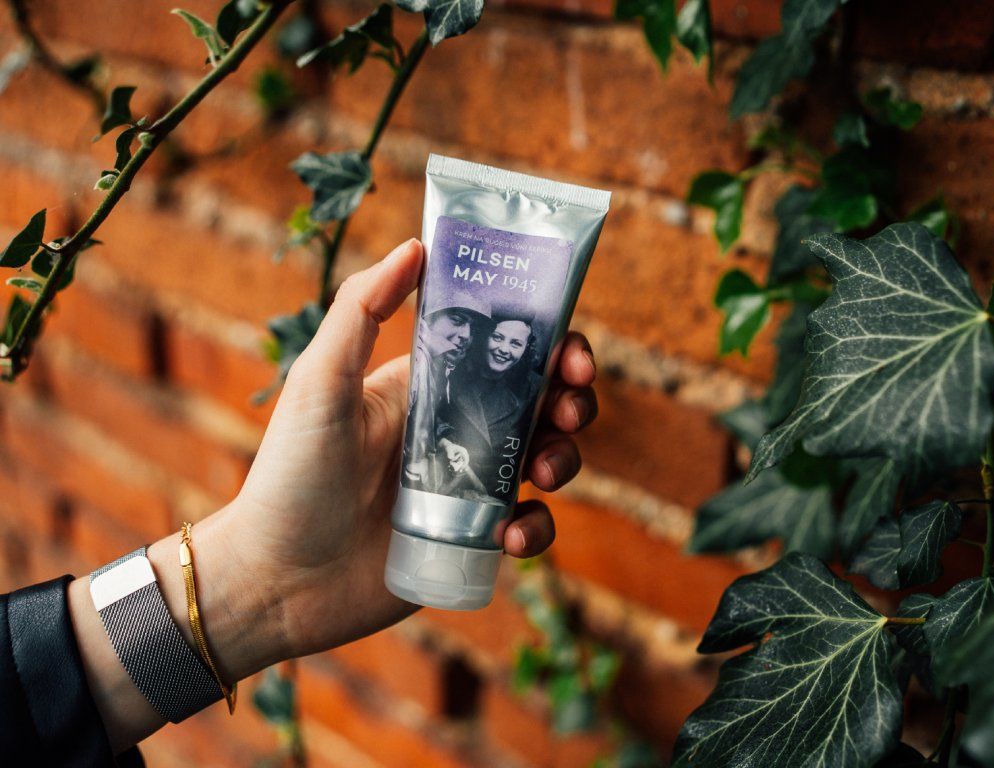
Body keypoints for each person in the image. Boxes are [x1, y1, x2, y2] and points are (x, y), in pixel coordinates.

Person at [0, 239, 599, 765]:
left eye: (477, 330)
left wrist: (254, 582)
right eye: (455, 325)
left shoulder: (468, 385)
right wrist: (257, 581)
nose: (467, 338)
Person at [444, 316, 547, 503]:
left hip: (490, 504)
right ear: (482, 336)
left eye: (516, 344)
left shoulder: (534, 390)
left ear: (526, 349)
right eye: (497, 337)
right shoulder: (449, 373)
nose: (504, 350)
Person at [402, 290, 490, 493]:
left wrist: (446, 444)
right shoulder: (419, 362)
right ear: (429, 315)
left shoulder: (439, 365)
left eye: (473, 328)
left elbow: (422, 421)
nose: (466, 335)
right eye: (457, 320)